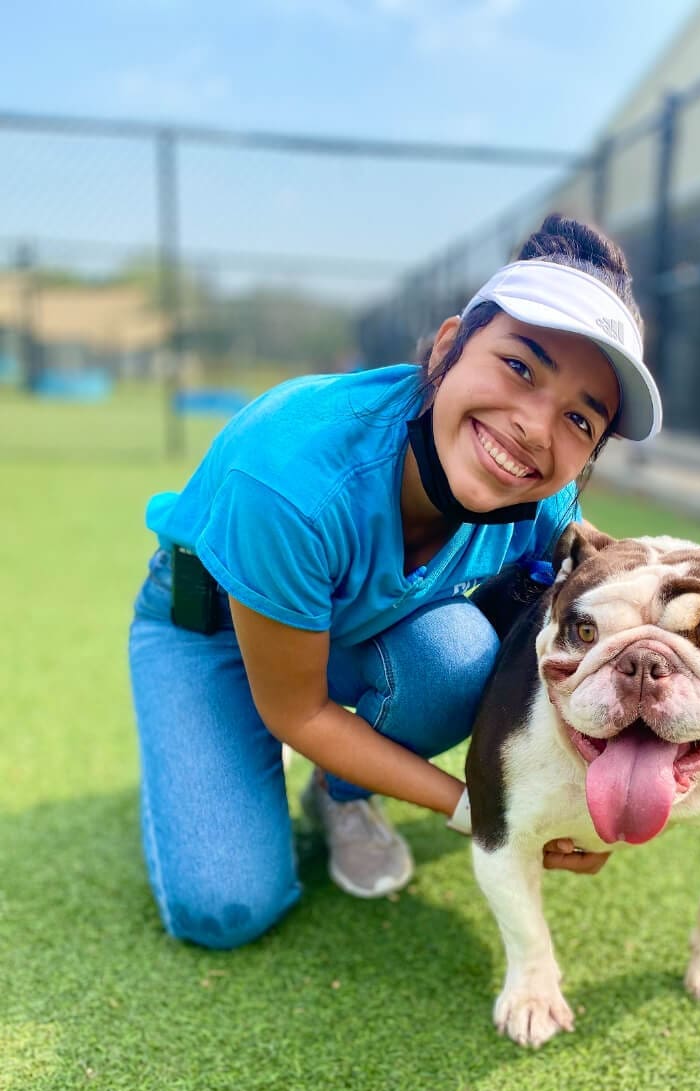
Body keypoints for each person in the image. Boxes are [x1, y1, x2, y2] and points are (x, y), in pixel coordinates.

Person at [128, 213, 663, 950]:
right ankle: (207, 745)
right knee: (224, 907)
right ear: (449, 346)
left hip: (350, 626)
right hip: (210, 626)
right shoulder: (288, 473)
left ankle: (339, 795)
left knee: (457, 656)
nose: (536, 429)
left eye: (580, 417)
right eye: (519, 367)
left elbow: (625, 611)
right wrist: (484, 809)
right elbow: (301, 711)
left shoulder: (546, 500)